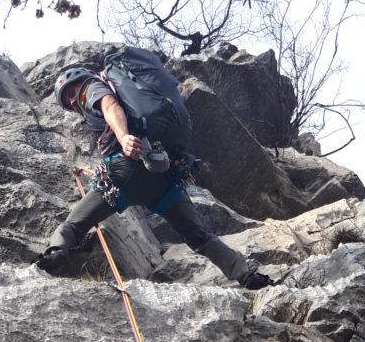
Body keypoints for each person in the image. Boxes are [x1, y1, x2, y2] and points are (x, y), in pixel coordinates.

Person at [38, 65, 273, 290]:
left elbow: (109, 106)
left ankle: (54, 254)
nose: (71, 100)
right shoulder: (121, 91)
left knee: (74, 224)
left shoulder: (90, 87)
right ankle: (245, 273)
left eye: (70, 91)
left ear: (80, 80)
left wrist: (122, 138)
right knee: (199, 236)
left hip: (124, 173)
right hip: (163, 178)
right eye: (67, 100)